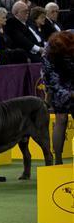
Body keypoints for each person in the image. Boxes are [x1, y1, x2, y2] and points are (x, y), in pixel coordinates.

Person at [42, 30, 74, 164]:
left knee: (61, 119)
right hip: (60, 83)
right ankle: (58, 161)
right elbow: (51, 80)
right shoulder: (49, 54)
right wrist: (68, 94)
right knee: (61, 119)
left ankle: (59, 161)